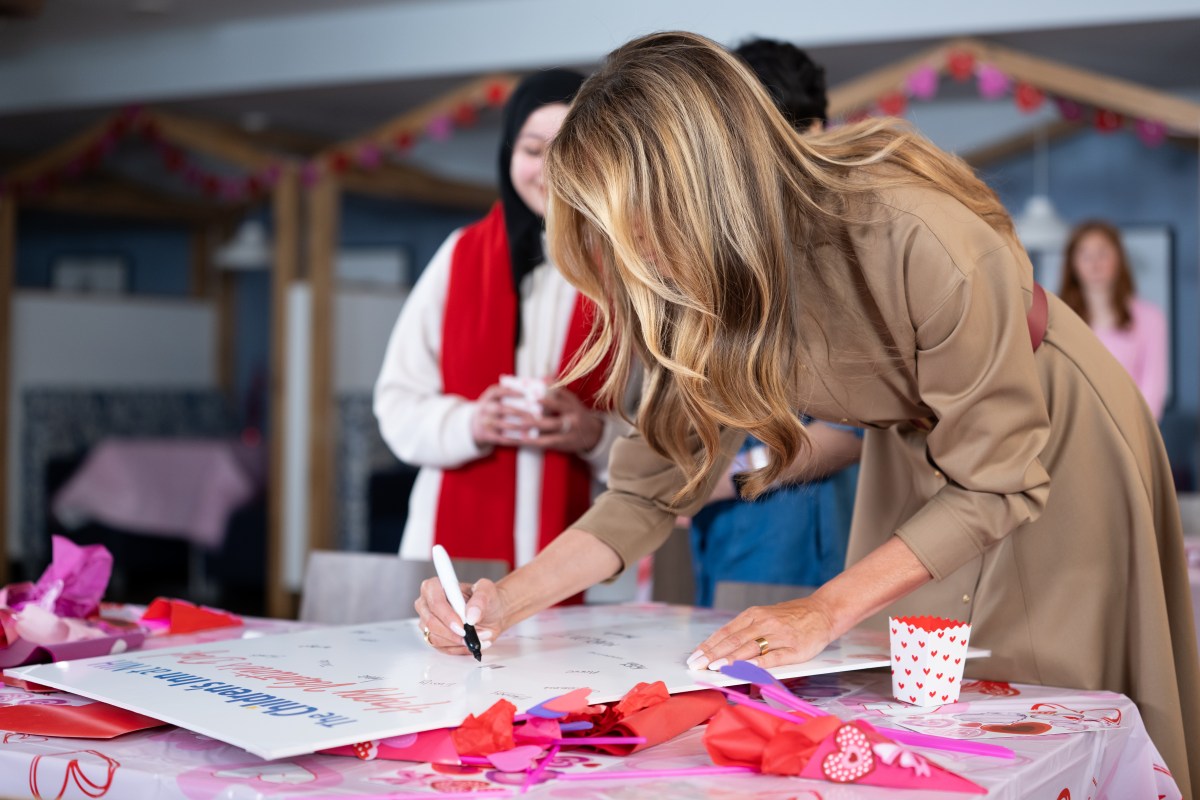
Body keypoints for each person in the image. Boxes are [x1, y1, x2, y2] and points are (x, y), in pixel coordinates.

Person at [416, 33, 1199, 794]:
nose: (629, 257)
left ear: (702, 186)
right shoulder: (675, 273)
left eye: (636, 223)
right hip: (914, 451)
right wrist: (505, 601)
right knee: (929, 717)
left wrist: (822, 608)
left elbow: (997, 482)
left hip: (1056, 430)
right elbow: (646, 494)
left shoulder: (915, 232)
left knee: (1048, 695)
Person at [373, 69, 630, 573]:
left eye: (570, 152)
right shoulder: (460, 255)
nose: (550, 172)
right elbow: (396, 404)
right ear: (509, 152)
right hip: (446, 548)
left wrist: (593, 434)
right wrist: (472, 421)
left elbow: (659, 435)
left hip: (580, 553)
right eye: (534, 151)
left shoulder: (625, 273)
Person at [689, 38, 862, 606]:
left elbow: (849, 435)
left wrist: (737, 474)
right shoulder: (723, 250)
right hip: (729, 539)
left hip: (806, 539)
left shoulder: (844, 251)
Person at [1058, 220, 1169, 420]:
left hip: (1131, 434)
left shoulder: (1151, 318)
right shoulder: (1058, 319)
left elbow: (1153, 389)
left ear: (1118, 259)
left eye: (1102, 253)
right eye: (1085, 255)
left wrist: (1131, 434)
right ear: (1073, 264)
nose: (1095, 263)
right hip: (1073, 432)